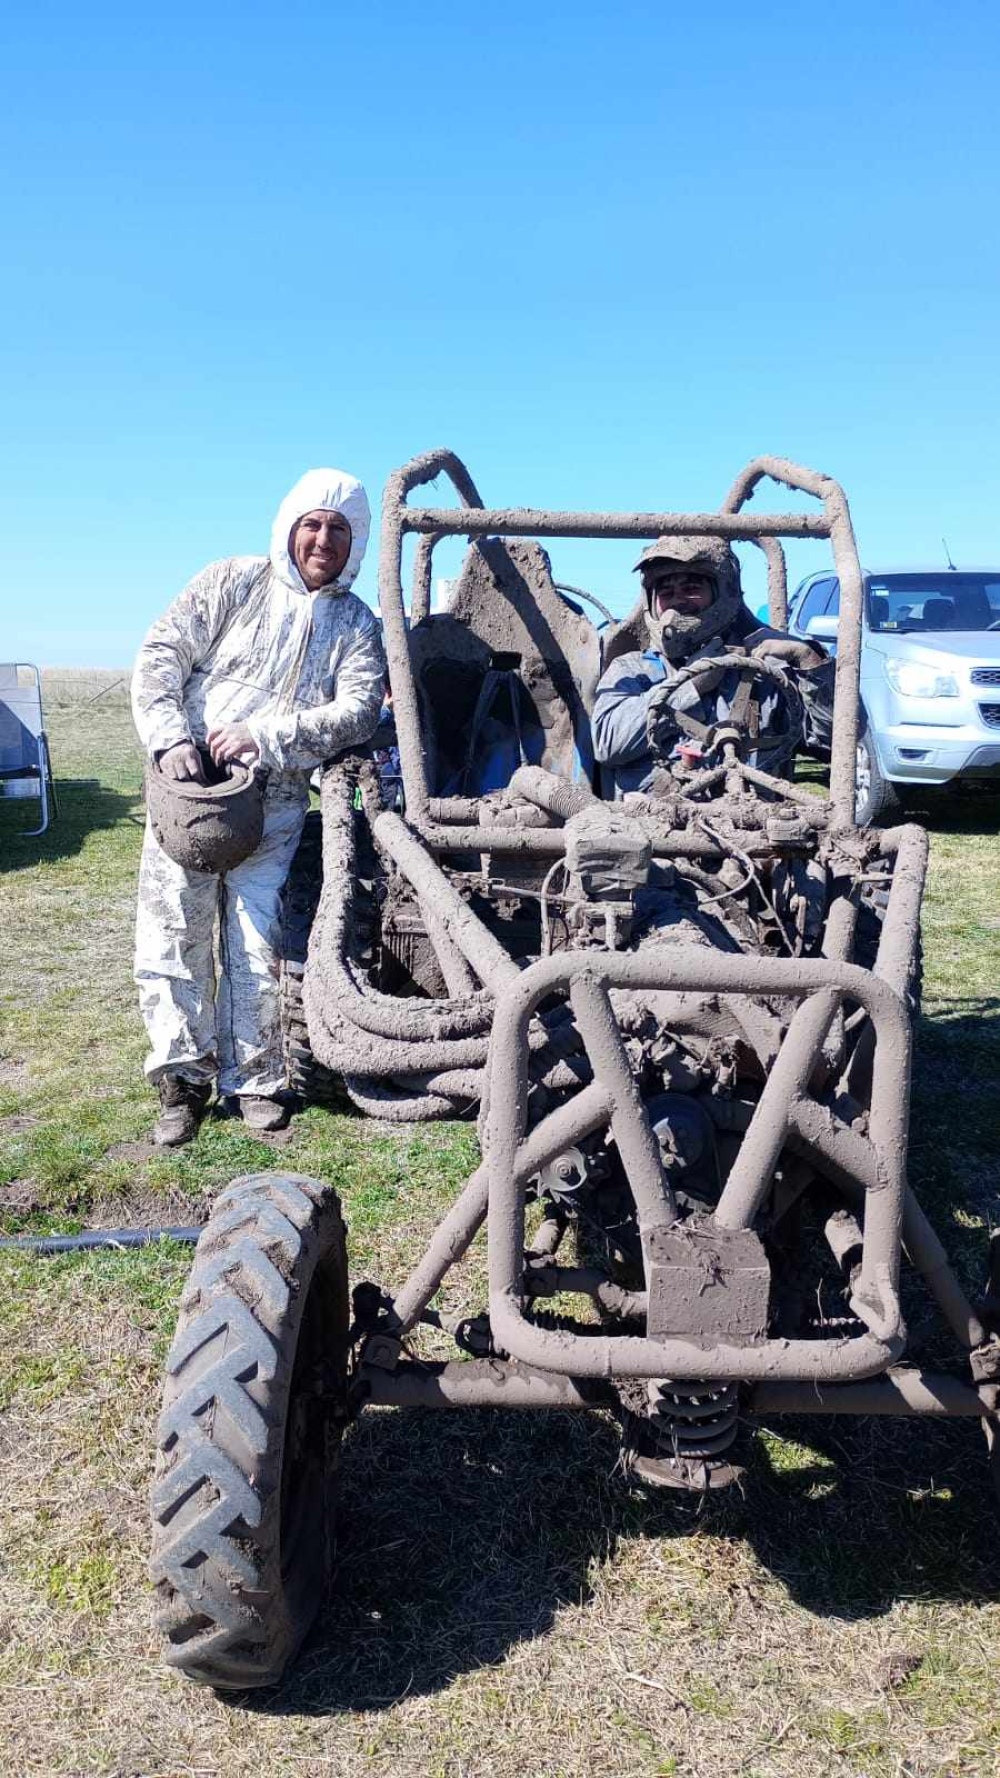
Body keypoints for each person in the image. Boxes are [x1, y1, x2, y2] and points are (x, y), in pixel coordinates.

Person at [132, 468, 386, 1146]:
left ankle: (255, 1080)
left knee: (259, 943)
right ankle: (181, 1083)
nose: (323, 540)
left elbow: (360, 709)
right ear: (289, 527)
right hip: (190, 793)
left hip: (273, 803)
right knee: (174, 934)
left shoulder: (356, 623)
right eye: (312, 524)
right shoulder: (233, 583)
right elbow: (161, 655)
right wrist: (169, 740)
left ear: (354, 541)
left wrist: (267, 738)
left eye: (339, 529)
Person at [592, 534, 833, 798]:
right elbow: (608, 744)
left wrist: (809, 661)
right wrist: (691, 686)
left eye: (692, 588)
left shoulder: (767, 671)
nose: (677, 601)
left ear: (722, 593)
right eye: (665, 592)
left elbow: (833, 739)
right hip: (653, 829)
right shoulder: (631, 670)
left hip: (752, 827)